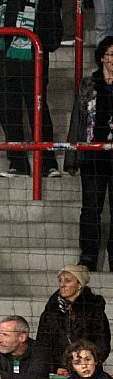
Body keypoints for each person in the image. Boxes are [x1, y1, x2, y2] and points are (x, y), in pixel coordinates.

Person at [0, 0, 62, 177]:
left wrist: (39, 47)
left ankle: (48, 163)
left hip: (34, 67)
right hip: (7, 68)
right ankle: (17, 164)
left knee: (38, 114)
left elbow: (54, 31)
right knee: (9, 115)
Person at [68, 37, 113, 269]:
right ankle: (88, 256)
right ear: (102, 57)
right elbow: (78, 119)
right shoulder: (89, 84)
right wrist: (72, 156)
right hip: (93, 157)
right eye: (110, 54)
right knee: (90, 209)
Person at [36, 265, 110, 375]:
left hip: (87, 372)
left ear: (80, 284)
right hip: (59, 372)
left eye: (68, 281)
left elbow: (102, 344)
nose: (62, 284)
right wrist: (54, 367)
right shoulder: (51, 310)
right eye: (60, 281)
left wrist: (83, 365)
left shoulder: (93, 309)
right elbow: (42, 343)